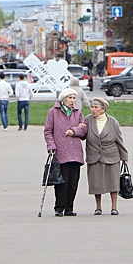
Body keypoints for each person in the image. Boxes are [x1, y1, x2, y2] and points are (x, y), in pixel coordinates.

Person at [44, 88, 88, 217]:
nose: (72, 101)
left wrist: (73, 131)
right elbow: (48, 131)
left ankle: (69, 208)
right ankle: (59, 207)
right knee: (62, 182)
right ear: (63, 99)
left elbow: (84, 130)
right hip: (60, 151)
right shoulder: (53, 112)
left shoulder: (78, 112)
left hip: (75, 152)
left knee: (73, 182)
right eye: (70, 98)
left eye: (74, 98)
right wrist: (51, 146)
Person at [84, 97, 128, 216]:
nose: (93, 109)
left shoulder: (113, 122)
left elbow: (119, 140)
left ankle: (114, 207)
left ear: (103, 109)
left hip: (111, 155)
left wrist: (124, 156)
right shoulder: (87, 120)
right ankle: (98, 207)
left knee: (113, 182)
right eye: (92, 107)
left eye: (95, 107)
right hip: (94, 155)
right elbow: (82, 133)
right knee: (96, 183)